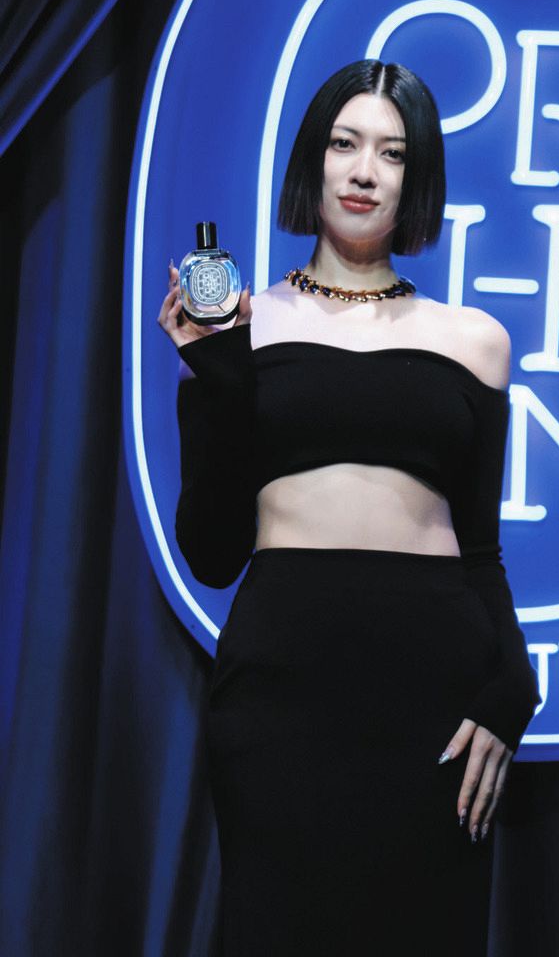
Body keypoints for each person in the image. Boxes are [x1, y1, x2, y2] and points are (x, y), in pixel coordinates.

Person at [157, 59, 539, 956]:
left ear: (417, 177)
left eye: (392, 153)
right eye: (344, 144)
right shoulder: (244, 326)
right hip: (282, 688)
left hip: (434, 692)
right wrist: (218, 375)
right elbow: (211, 553)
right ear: (313, 160)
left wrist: (514, 682)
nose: (365, 171)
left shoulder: (476, 340)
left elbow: (481, 550)